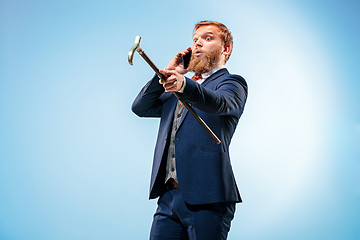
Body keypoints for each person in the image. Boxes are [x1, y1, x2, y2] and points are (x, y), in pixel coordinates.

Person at [132, 20, 248, 240]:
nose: (198, 44)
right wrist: (168, 73)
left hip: (209, 197)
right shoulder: (175, 87)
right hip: (168, 197)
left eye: (207, 38)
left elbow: (218, 103)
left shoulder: (232, 84)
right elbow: (140, 107)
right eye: (195, 40)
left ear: (226, 48)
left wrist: (185, 85)